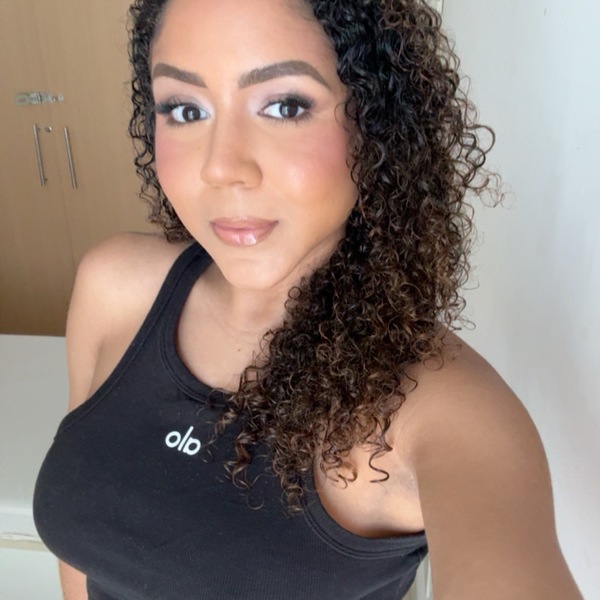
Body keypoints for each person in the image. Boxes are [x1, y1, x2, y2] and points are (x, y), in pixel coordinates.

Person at [33, 0, 583, 598]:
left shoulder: (443, 412)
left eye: (285, 106)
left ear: (377, 123)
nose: (221, 167)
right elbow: (81, 555)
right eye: (185, 109)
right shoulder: (115, 288)